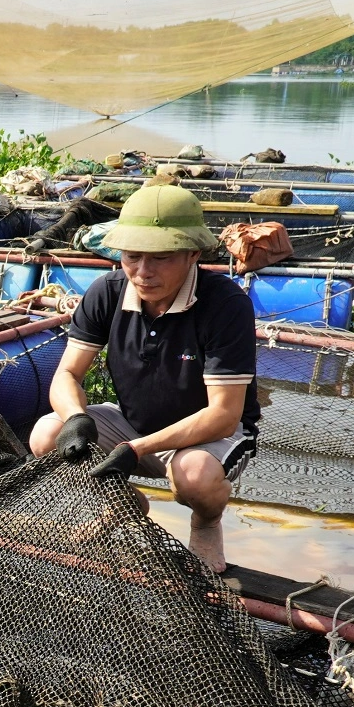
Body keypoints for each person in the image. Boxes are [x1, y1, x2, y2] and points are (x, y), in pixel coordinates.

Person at [27, 185, 260, 572]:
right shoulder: (107, 292)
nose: (143, 272)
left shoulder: (225, 305)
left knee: (194, 476)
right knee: (46, 435)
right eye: (132, 257)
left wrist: (136, 450)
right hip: (133, 425)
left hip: (210, 437)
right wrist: (76, 418)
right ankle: (121, 503)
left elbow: (224, 414)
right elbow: (67, 373)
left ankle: (206, 523)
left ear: (193, 254)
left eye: (161, 258)